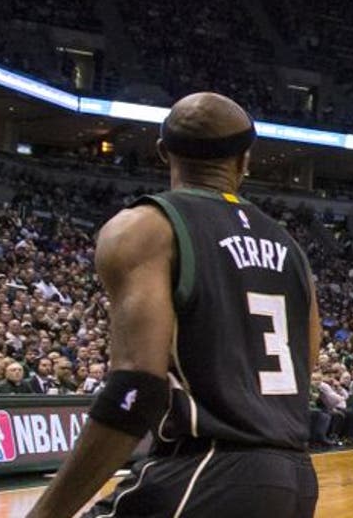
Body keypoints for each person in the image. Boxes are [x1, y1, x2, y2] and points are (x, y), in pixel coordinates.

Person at [26, 93, 321, 518]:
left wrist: (45, 513)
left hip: (204, 470)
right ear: (245, 160)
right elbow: (303, 365)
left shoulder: (145, 227)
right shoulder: (291, 248)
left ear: (163, 152)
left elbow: (135, 388)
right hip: (293, 479)